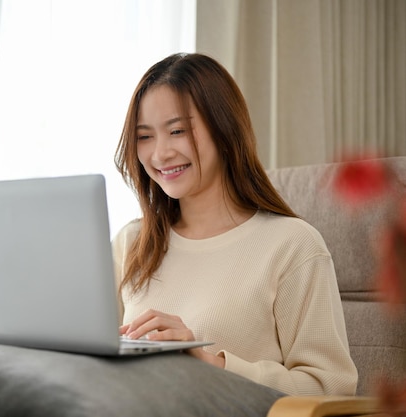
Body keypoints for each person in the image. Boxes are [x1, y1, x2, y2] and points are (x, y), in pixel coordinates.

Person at [112, 52, 358, 396]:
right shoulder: (131, 242)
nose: (160, 153)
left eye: (177, 130)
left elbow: (330, 388)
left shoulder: (292, 245)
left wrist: (209, 364)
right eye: (145, 136)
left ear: (224, 128)